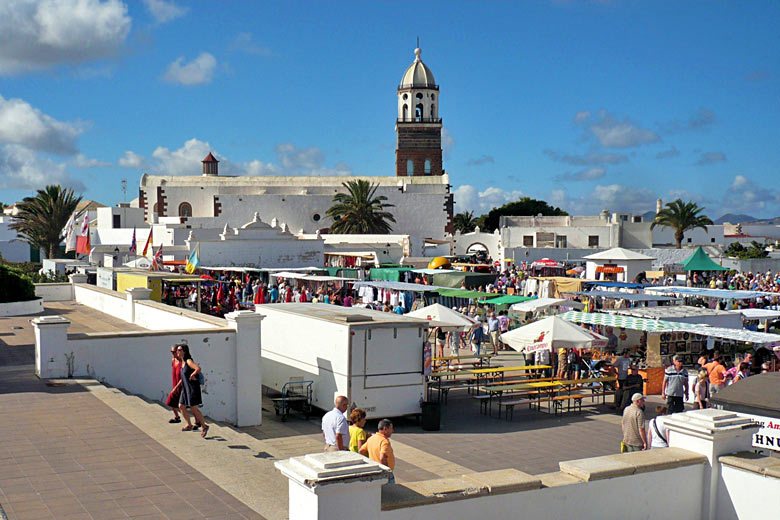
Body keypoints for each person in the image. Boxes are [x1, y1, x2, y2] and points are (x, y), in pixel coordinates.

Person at [176, 344, 209, 438]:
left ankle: (204, 426)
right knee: (181, 406)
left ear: (184, 351)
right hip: (185, 389)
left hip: (192, 389)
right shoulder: (181, 362)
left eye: (180, 350)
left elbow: (198, 368)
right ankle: (189, 424)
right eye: (177, 350)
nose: (178, 352)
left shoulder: (188, 361)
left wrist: (192, 374)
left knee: (194, 409)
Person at [359, 418, 396, 483]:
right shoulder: (384, 442)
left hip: (374, 470)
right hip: (384, 472)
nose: (392, 430)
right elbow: (382, 457)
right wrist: (386, 471)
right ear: (385, 429)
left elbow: (361, 451)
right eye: (391, 428)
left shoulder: (372, 438)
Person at [165, 345, 183, 423]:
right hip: (175, 385)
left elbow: (183, 377)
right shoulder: (173, 360)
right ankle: (177, 417)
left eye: (173, 352)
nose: (172, 354)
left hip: (181, 387)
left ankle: (197, 421)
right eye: (171, 352)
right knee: (171, 401)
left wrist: (176, 387)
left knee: (186, 406)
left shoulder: (182, 362)